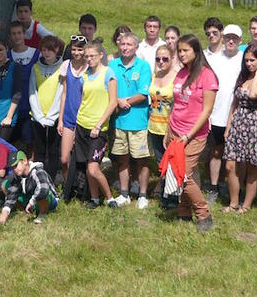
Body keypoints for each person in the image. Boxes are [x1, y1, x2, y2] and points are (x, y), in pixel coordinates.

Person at [164, 34, 218, 232]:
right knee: (184, 173)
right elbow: (176, 104)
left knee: (183, 174)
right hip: (175, 131)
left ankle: (204, 214)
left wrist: (188, 135)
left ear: (196, 51)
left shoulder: (207, 75)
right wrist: (168, 130)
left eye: (185, 50)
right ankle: (184, 211)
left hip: (194, 134)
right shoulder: (180, 73)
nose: (181, 54)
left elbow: (207, 110)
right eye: (179, 50)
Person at [222, 44, 257, 213]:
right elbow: (234, 103)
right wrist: (229, 126)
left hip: (255, 125)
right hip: (238, 123)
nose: (249, 64)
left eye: (253, 60)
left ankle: (247, 205)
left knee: (251, 166)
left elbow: (254, 94)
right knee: (230, 165)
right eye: (247, 60)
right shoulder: (242, 78)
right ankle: (233, 202)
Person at [109, 32, 153, 209]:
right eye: (122, 44)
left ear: (136, 47)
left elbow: (143, 94)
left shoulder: (143, 66)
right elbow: (107, 88)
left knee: (142, 159)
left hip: (138, 122)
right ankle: (124, 193)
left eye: (129, 44)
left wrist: (123, 102)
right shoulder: (112, 65)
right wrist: (117, 102)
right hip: (118, 121)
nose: (125, 47)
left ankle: (143, 194)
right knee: (122, 159)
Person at [75, 42, 119, 209]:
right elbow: (83, 100)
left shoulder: (109, 73)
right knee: (88, 165)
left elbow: (113, 102)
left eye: (92, 56)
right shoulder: (85, 75)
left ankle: (109, 198)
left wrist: (99, 125)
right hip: (82, 124)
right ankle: (94, 198)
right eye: (86, 56)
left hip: (98, 128)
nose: (89, 59)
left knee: (94, 168)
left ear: (101, 55)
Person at [204, 24, 244, 204]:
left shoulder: (244, 59)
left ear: (240, 41)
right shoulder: (214, 58)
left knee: (236, 156)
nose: (230, 41)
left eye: (234, 38)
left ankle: (235, 188)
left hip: (237, 115)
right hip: (216, 114)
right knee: (215, 152)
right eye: (228, 37)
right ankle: (214, 187)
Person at [29, 35, 65, 181]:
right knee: (40, 151)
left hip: (55, 117)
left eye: (51, 49)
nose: (47, 53)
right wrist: (39, 116)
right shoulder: (36, 67)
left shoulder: (63, 67)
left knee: (53, 150)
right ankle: (40, 180)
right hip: (37, 117)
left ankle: (50, 181)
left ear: (57, 50)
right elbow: (32, 91)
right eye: (44, 50)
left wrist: (51, 116)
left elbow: (61, 92)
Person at [148, 44, 180, 207]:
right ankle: (165, 194)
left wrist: (171, 129)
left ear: (172, 59)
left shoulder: (177, 78)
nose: (161, 62)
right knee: (161, 162)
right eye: (158, 59)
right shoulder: (154, 75)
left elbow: (178, 105)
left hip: (170, 128)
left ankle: (173, 197)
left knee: (172, 163)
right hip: (154, 126)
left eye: (165, 59)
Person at [0, 150, 60, 225]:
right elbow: (12, 194)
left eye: (16, 165)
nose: (14, 170)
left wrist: (31, 202)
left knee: (42, 191)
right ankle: (24, 211)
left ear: (24, 161)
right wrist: (5, 212)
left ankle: (43, 214)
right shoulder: (18, 176)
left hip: (49, 201)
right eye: (12, 168)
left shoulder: (37, 172)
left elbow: (44, 189)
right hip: (33, 200)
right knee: (6, 185)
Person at [57, 36, 88, 181]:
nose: (77, 52)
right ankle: (68, 186)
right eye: (74, 49)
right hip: (68, 116)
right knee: (64, 159)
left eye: (80, 49)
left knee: (82, 157)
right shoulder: (66, 65)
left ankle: (82, 186)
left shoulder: (89, 67)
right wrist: (60, 119)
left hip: (84, 117)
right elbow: (64, 93)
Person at [7, 21, 40, 148]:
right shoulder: (7, 55)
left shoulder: (36, 54)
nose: (17, 36)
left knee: (30, 141)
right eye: (13, 34)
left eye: (19, 33)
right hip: (13, 106)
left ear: (24, 34)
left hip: (32, 104)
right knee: (13, 141)